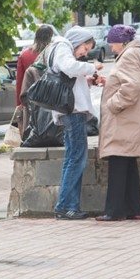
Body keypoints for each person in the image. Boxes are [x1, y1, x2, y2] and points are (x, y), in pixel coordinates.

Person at [95, 24, 140, 221]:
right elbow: (126, 81)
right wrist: (108, 83)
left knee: (118, 164)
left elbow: (131, 87)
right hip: (130, 122)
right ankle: (134, 209)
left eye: (113, 43)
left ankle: (115, 211)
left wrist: (112, 104)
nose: (111, 47)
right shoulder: (136, 53)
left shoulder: (128, 55)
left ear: (122, 42)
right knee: (129, 165)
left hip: (123, 122)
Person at [51, 26, 103, 220]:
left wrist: (87, 80)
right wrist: (92, 67)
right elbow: (69, 68)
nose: (85, 53)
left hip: (72, 111)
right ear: (78, 41)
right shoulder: (63, 46)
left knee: (73, 158)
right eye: (85, 48)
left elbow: (70, 76)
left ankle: (71, 206)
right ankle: (64, 206)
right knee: (77, 159)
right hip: (73, 112)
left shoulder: (63, 49)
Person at [15, 25, 53, 136]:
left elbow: (20, 81)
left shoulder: (25, 55)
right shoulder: (53, 53)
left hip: (30, 98)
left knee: (30, 128)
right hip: (51, 97)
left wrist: (19, 103)